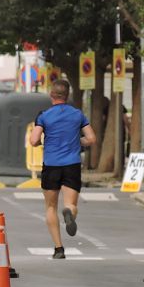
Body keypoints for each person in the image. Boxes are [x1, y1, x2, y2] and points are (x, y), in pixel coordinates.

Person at [28, 79, 95, 259]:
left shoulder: (44, 115)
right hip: (71, 164)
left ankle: (59, 249)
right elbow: (91, 139)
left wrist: (42, 140)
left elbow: (34, 140)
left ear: (52, 96)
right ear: (67, 96)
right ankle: (70, 213)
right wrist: (77, 141)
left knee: (50, 207)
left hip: (51, 165)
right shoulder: (77, 115)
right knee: (71, 204)